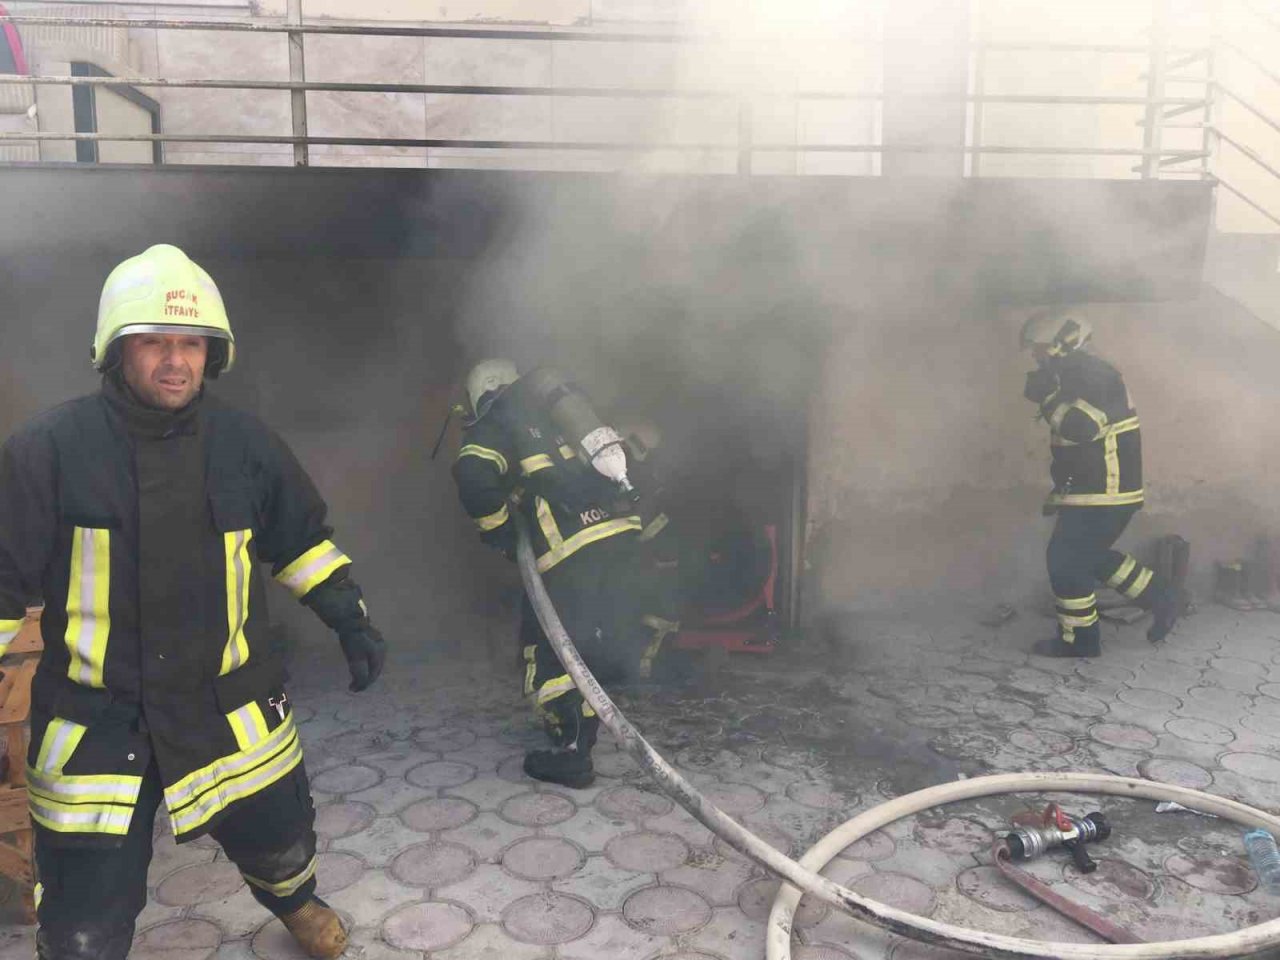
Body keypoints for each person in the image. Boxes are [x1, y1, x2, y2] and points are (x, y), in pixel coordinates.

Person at [0, 244, 386, 960]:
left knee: (280, 835)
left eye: (191, 344)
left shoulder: (246, 445)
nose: (175, 360)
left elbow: (298, 539)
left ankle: (296, 905)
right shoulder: (45, 451)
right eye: (153, 343)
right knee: (84, 914)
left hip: (232, 709)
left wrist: (346, 611)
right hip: (97, 719)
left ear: (214, 354)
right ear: (116, 352)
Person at [452, 360, 642, 788]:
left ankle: (572, 752)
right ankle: (591, 720)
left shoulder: (500, 417)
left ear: (481, 393)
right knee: (590, 639)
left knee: (550, 648)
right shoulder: (553, 410)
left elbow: (473, 474)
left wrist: (501, 533)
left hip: (571, 550)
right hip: (621, 535)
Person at [1021, 309, 1178, 657]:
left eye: (1040, 347)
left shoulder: (1092, 373)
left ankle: (1081, 640)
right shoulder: (1078, 372)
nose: (1036, 355)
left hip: (1104, 489)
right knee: (1082, 556)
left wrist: (1047, 397)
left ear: (1064, 343)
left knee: (1065, 559)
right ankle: (1162, 596)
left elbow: (1081, 427)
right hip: (1097, 488)